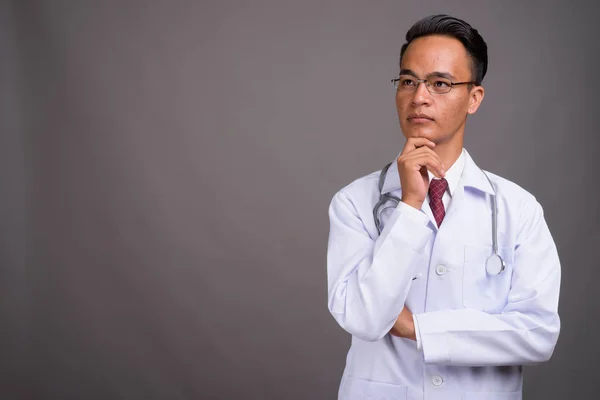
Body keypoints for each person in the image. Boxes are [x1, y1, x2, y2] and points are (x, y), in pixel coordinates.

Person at [326, 14, 561, 400]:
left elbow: (537, 335)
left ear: (474, 99)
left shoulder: (518, 209)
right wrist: (410, 205)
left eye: (440, 83)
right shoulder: (353, 202)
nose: (419, 97)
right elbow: (364, 319)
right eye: (408, 82)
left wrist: (416, 328)